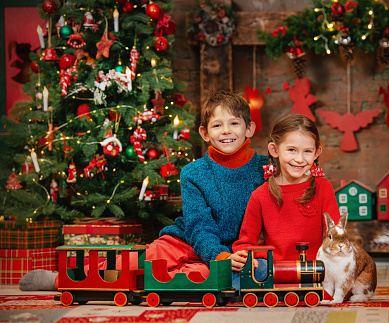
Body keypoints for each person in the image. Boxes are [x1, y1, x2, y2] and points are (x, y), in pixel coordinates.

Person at [19, 90, 268, 291]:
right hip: (191, 242)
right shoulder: (194, 173)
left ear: (249, 129)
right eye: (217, 125)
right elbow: (199, 226)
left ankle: (175, 280)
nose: (226, 131)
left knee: (202, 279)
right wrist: (220, 257)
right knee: (148, 258)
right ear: (204, 133)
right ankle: (67, 279)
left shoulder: (266, 168)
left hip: (241, 251)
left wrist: (232, 257)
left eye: (234, 123)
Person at [232, 113, 341, 280]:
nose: (299, 159)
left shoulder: (322, 187)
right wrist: (244, 257)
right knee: (240, 278)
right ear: (274, 150)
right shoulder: (260, 195)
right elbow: (246, 243)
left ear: (317, 153)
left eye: (307, 151)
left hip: (315, 267)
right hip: (274, 270)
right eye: (291, 150)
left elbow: (335, 234)